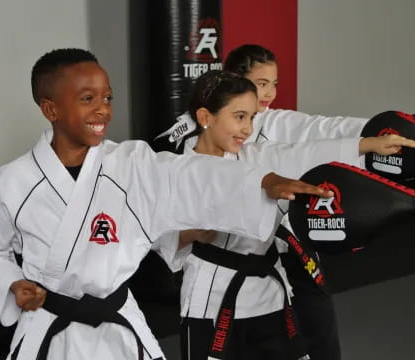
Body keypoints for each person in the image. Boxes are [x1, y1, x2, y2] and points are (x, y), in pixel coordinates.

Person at [0, 48, 335, 360]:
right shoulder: (17, 179)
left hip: (117, 325)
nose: (103, 109)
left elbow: (188, 173)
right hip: (50, 329)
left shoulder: (129, 163)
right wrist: (11, 282)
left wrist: (261, 180)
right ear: (50, 109)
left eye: (107, 97)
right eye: (87, 99)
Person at [155, 70, 414, 360]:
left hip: (268, 298)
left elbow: (305, 153)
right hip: (211, 302)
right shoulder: (174, 171)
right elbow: (154, 230)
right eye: (239, 117)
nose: (247, 129)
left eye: (252, 118)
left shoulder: (256, 156)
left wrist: (366, 145)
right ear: (206, 117)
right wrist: (192, 234)